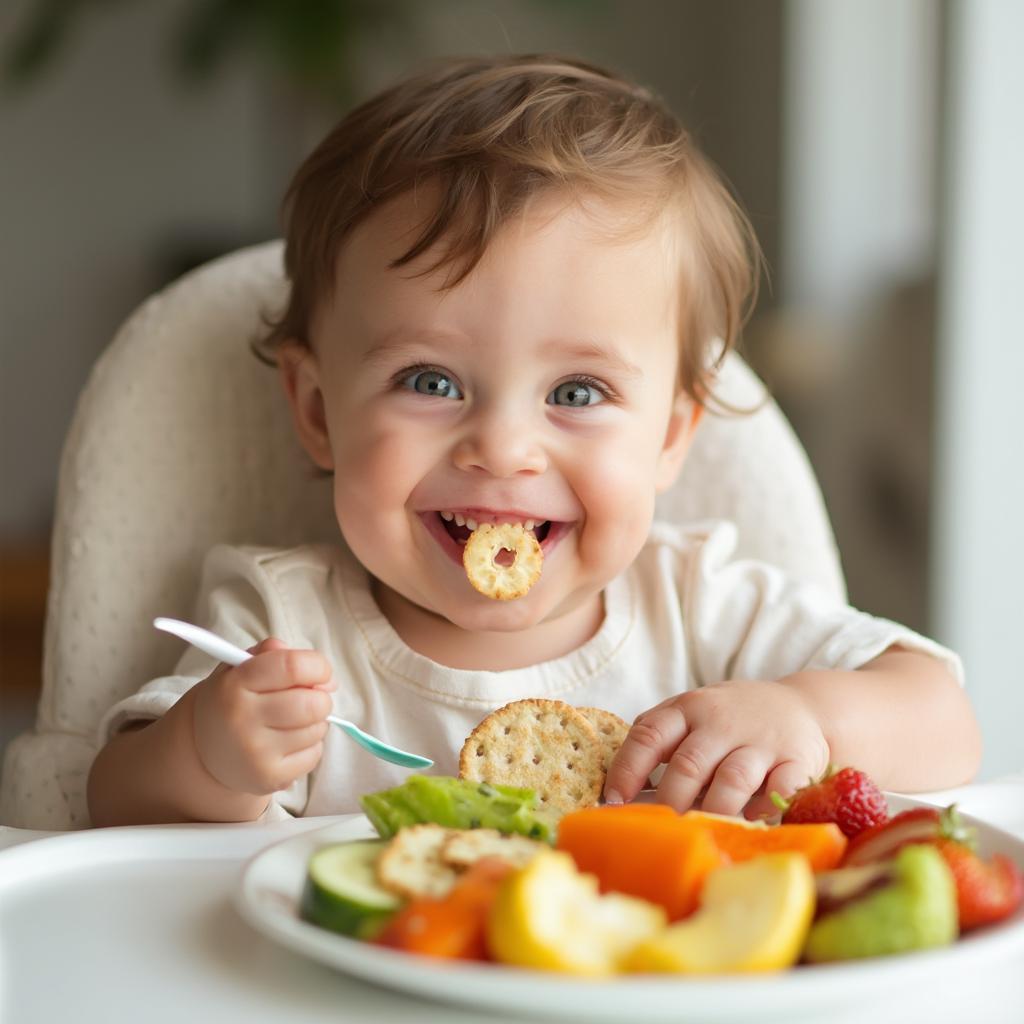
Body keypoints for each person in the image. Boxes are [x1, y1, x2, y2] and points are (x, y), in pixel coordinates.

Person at [86, 55, 981, 827]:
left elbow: (945, 720)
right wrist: (211, 755)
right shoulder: (286, 624)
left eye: (577, 392)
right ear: (318, 411)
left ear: (670, 438)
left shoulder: (701, 608)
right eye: (430, 382)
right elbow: (112, 807)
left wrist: (807, 719)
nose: (503, 448)